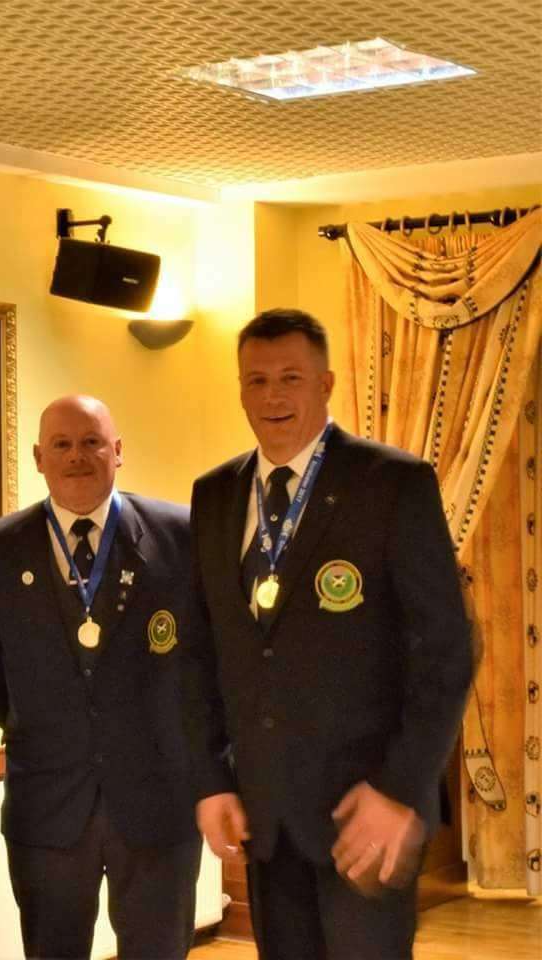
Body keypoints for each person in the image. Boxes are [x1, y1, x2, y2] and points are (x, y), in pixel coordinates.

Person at [185, 308, 473, 958]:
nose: (273, 396)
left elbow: (446, 653)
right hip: (266, 817)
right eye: (256, 380)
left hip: (366, 814)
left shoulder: (391, 483)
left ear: (327, 383)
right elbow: (199, 655)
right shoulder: (215, 496)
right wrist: (211, 780)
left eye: (291, 377)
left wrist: (401, 789)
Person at [0, 395, 201, 959]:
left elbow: (205, 659)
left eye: (92, 442)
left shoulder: (181, 535)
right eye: (62, 445)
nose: (78, 456)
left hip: (158, 803)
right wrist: (41, 721)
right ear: (38, 457)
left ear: (117, 451)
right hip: (47, 803)